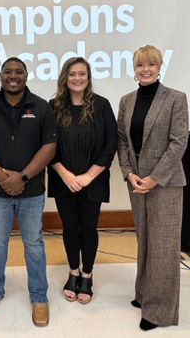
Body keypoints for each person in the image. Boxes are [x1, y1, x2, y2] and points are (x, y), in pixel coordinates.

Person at [0, 57, 57, 327]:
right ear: (0, 76)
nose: (13, 75)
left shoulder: (41, 107)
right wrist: (3, 177)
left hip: (31, 191)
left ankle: (39, 297)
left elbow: (49, 147)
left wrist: (21, 176)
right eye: (8, 71)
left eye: (18, 71)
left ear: (26, 76)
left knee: (34, 244)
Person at [116, 45, 189, 331]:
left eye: (151, 64)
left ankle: (159, 311)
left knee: (163, 248)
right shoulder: (126, 101)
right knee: (145, 241)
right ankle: (144, 294)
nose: (145, 69)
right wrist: (129, 174)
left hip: (166, 184)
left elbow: (178, 142)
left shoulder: (175, 99)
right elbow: (122, 141)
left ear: (159, 67)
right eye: (139, 65)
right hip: (137, 183)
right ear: (133, 70)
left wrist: (154, 178)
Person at [47, 57, 118, 305]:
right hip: (62, 179)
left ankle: (87, 274)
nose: (77, 78)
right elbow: (46, 145)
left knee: (88, 227)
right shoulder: (53, 106)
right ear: (64, 78)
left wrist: (88, 176)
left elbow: (111, 144)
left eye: (82, 74)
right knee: (69, 227)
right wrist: (65, 174)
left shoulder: (102, 106)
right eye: (72, 74)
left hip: (94, 180)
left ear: (88, 78)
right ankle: (73, 272)